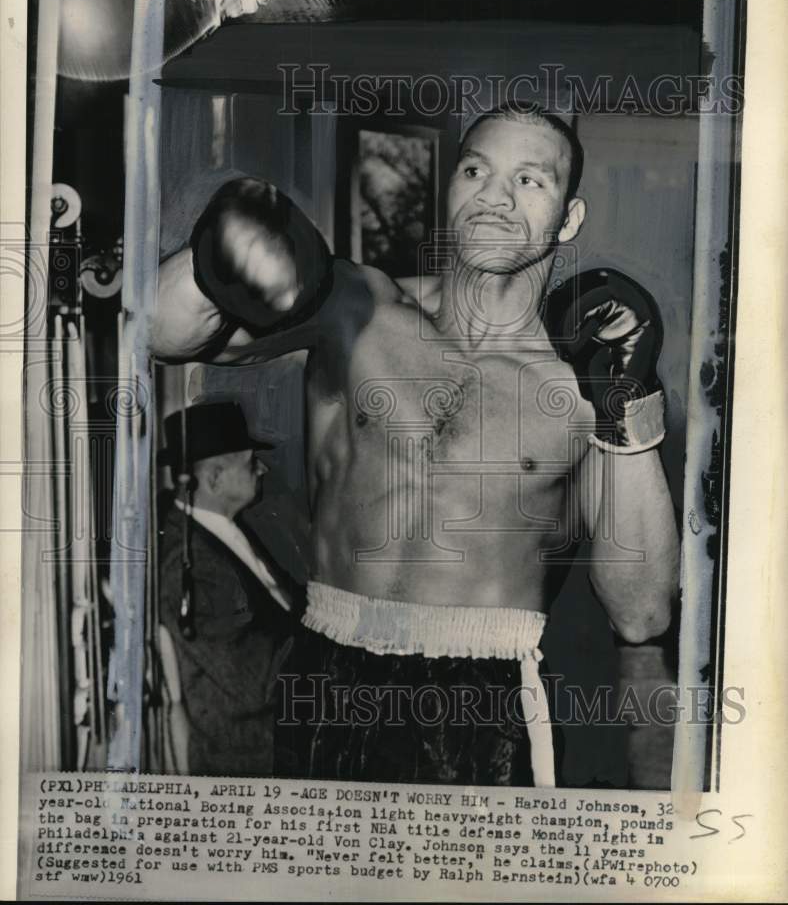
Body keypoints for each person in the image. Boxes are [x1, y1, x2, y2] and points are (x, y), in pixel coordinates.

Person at [152, 104, 679, 787]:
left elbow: (641, 613)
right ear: (451, 186)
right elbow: (162, 336)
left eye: (530, 180)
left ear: (569, 218)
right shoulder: (358, 307)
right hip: (329, 663)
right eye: (476, 170)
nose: (495, 195)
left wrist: (627, 405)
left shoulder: (576, 381)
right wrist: (210, 264)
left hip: (482, 696)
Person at [158, 401, 299, 777]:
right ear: (216, 477)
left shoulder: (220, 530)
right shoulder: (189, 562)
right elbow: (254, 679)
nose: (263, 469)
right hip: (251, 764)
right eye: (252, 462)